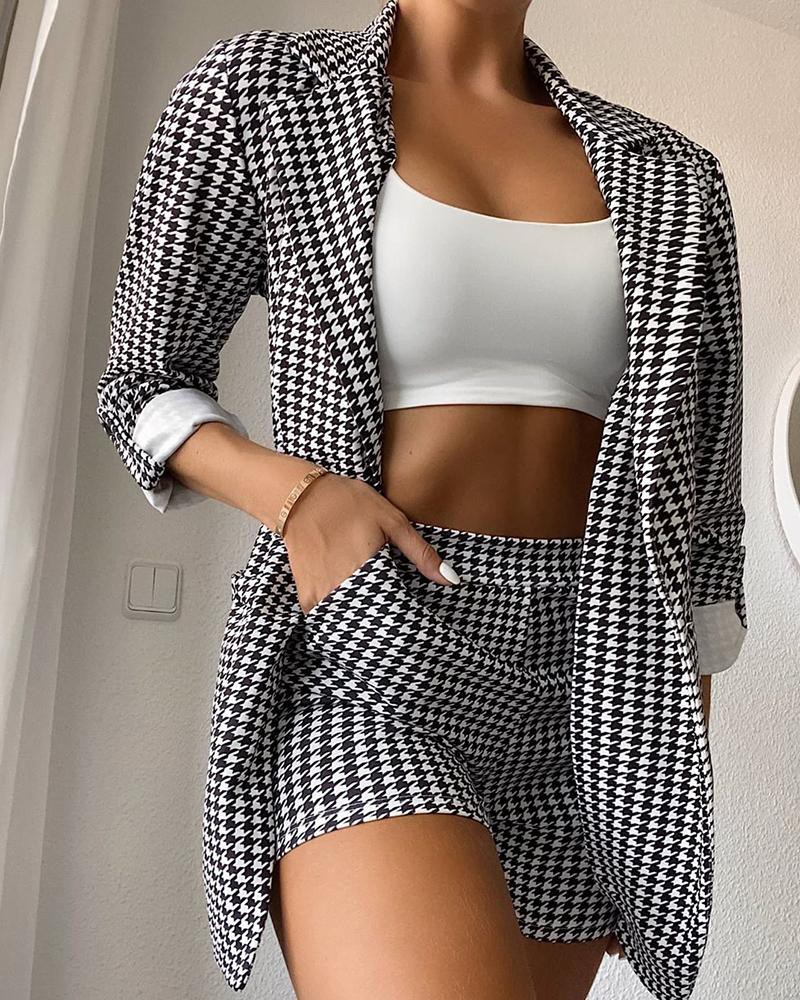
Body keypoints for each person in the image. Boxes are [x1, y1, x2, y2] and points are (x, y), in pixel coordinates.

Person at [96, 1, 748, 998]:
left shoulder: (673, 175)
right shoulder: (266, 91)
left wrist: (656, 792)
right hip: (373, 646)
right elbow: (145, 381)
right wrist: (301, 498)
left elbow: (701, 526)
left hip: (596, 695)